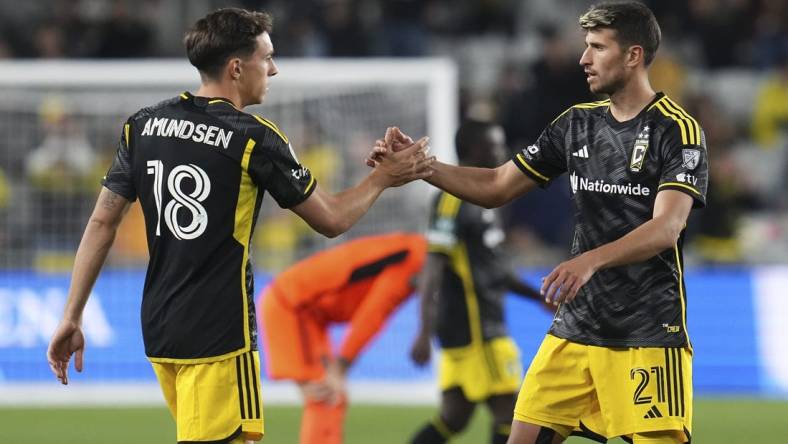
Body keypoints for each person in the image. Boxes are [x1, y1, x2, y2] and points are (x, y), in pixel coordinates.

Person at [46, 8, 432, 444]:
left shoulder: (143, 125)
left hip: (160, 326)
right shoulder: (254, 137)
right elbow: (332, 219)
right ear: (236, 67)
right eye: (266, 57)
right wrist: (384, 178)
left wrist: (71, 315)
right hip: (220, 333)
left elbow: (102, 220)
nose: (274, 68)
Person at [372, 2, 707, 443]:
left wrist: (588, 261)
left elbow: (667, 227)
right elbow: (496, 184)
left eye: (597, 47)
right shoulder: (576, 124)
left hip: (645, 332)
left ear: (633, 55)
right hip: (575, 329)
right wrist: (421, 166)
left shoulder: (677, 131)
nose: (584, 58)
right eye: (585, 47)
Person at [408, 120, 547, 444]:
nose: (502, 152)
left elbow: (493, 270)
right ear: (473, 150)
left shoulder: (487, 199)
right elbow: (432, 268)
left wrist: (536, 296)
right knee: (513, 415)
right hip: (477, 331)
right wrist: (424, 331)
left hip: (481, 326)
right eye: (494, 145)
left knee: (454, 418)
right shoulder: (452, 199)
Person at [258, 232, 427, 444]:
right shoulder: (414, 262)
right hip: (293, 306)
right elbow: (373, 315)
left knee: (331, 398)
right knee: (327, 397)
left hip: (305, 311)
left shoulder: (411, 249)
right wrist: (340, 367)